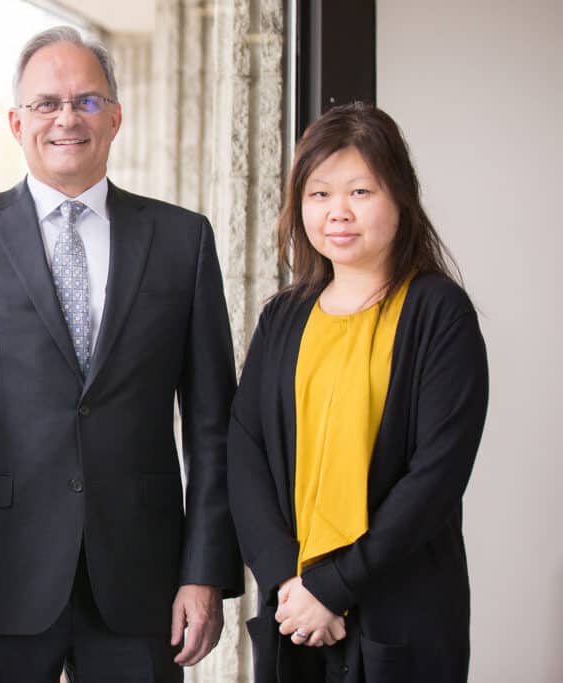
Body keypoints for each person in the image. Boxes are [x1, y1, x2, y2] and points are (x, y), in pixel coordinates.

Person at [0, 26, 244, 682]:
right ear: (16, 121)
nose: (66, 118)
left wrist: (206, 573)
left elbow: (213, 428)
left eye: (86, 101)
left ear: (114, 117)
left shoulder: (181, 241)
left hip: (143, 583)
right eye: (46, 102)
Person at [228, 102, 489, 682]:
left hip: (403, 612)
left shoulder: (439, 313)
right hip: (293, 616)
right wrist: (286, 584)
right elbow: (244, 452)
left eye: (360, 192)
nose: (337, 213)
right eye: (318, 194)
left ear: (400, 196)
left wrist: (333, 587)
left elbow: (435, 477)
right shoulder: (283, 318)